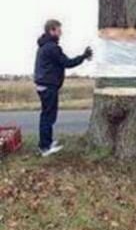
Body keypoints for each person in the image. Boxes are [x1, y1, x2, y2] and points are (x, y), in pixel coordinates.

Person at [33, 19, 92, 157]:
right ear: (51, 30)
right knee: (48, 117)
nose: (61, 33)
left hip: (44, 85)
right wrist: (83, 56)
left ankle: (46, 142)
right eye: (59, 30)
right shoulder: (52, 48)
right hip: (48, 86)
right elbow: (67, 62)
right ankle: (45, 147)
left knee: (47, 115)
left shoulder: (45, 46)